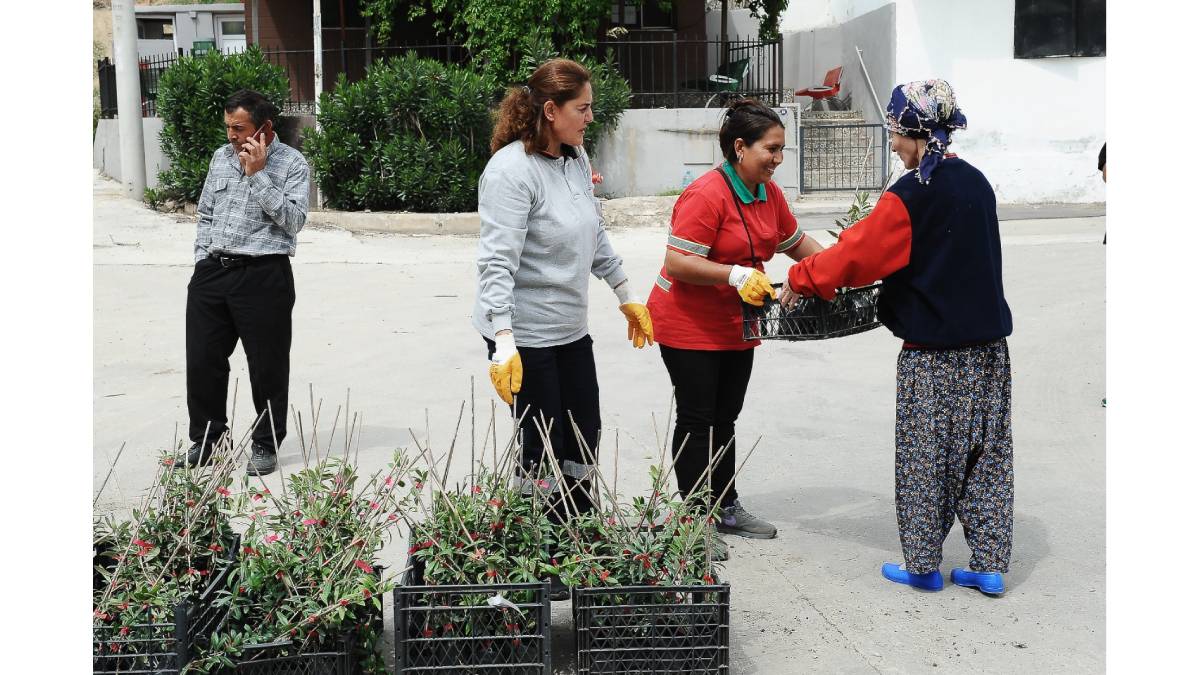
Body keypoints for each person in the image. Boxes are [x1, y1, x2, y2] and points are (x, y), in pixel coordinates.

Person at [781, 79, 1014, 595]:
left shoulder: (910, 195)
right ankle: (990, 565)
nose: (891, 140)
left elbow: (854, 257)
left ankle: (924, 566)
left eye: (895, 130)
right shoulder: (977, 182)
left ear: (915, 130)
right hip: (990, 349)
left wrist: (801, 278)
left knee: (925, 458)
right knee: (986, 453)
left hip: (933, 355)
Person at [472, 58, 654, 519]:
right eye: (583, 108)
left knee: (582, 429)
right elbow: (497, 263)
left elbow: (593, 233)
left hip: (570, 329)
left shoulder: (575, 160)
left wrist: (626, 292)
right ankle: (539, 536)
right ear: (551, 111)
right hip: (525, 335)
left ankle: (576, 521)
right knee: (540, 440)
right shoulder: (511, 172)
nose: (590, 118)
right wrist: (503, 341)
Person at [644, 99, 825, 559]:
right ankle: (692, 518)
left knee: (725, 416)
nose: (778, 159)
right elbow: (677, 261)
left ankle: (725, 505)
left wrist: (834, 267)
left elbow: (795, 242)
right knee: (698, 418)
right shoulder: (706, 194)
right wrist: (734, 274)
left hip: (734, 322)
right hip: (686, 321)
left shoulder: (769, 193)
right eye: (772, 149)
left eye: (783, 149)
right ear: (740, 147)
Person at [185, 89, 310, 476]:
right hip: (213, 272)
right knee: (203, 360)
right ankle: (207, 441)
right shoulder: (220, 159)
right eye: (228, 128)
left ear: (265, 127)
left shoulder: (292, 164)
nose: (232, 136)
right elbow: (206, 214)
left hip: (263, 275)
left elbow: (293, 221)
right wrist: (201, 261)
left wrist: (258, 177)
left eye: (239, 128)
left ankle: (264, 444)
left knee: (267, 366)